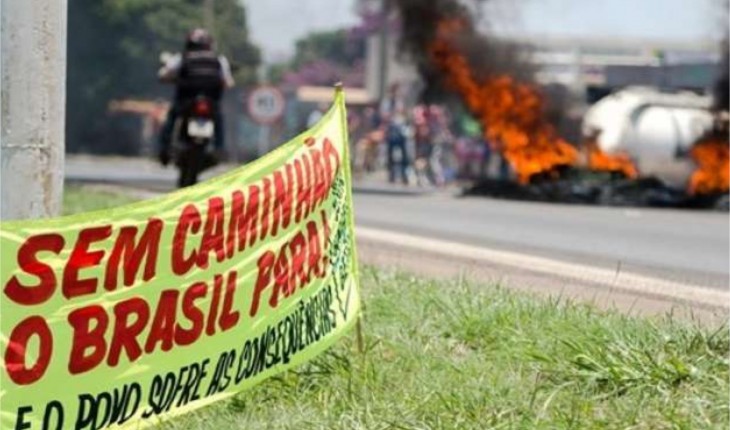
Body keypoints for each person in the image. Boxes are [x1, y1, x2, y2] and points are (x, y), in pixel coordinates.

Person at [157, 28, 235, 165]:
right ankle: (219, 147)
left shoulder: (182, 57)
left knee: (172, 117)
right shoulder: (219, 60)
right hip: (211, 101)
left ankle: (165, 148)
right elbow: (228, 83)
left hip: (186, 101)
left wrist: (168, 79)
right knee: (218, 119)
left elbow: (164, 74)